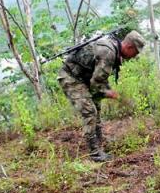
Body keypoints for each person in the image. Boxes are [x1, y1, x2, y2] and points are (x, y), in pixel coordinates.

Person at [58, 30, 145, 162]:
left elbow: (100, 79)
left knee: (97, 107)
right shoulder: (108, 53)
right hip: (71, 77)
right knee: (90, 111)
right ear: (129, 47)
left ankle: (98, 142)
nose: (135, 56)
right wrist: (112, 94)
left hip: (85, 78)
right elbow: (96, 84)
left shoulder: (114, 50)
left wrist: (109, 91)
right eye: (136, 52)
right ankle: (95, 153)